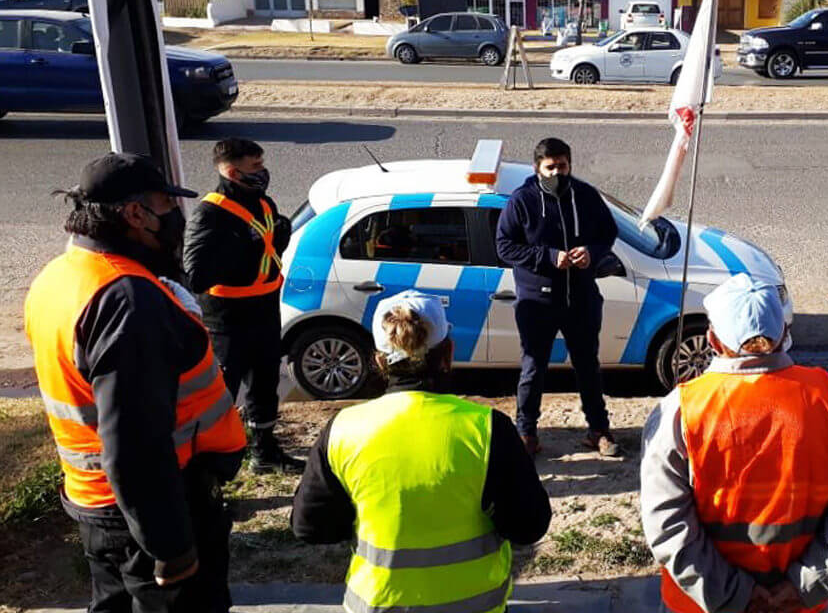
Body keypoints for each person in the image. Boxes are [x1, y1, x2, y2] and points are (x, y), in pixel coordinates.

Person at [25, 153, 247, 613]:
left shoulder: (59, 276)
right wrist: (170, 546)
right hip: (149, 513)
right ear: (134, 214)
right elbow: (136, 443)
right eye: (167, 206)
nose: (175, 219)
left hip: (100, 504)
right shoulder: (126, 299)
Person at [291, 290, 552, 613]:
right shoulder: (487, 428)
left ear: (379, 360)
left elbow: (310, 527)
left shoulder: (343, 429)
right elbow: (529, 526)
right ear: (448, 353)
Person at [641, 273, 828, 613]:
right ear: (784, 333)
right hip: (798, 604)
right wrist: (806, 584)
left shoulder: (680, 410)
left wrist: (737, 595)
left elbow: (666, 524)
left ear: (712, 339)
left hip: (702, 604)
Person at [495, 137, 621, 458]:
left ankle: (598, 430)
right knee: (534, 368)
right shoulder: (521, 201)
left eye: (562, 166)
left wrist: (591, 252)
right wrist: (550, 257)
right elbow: (505, 246)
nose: (557, 173)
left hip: (580, 298)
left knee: (587, 366)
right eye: (550, 167)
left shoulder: (585, 195)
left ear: (570, 165)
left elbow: (608, 232)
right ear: (537, 168)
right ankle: (526, 431)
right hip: (538, 303)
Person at [183, 138, 303, 474]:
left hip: (265, 311)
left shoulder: (263, 203)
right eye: (255, 167)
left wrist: (281, 235)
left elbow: (269, 250)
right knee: (221, 394)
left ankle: (264, 452)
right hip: (227, 322)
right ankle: (209, 466)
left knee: (265, 385)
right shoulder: (209, 213)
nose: (263, 172)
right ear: (233, 172)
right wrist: (242, 251)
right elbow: (195, 274)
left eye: (262, 164)